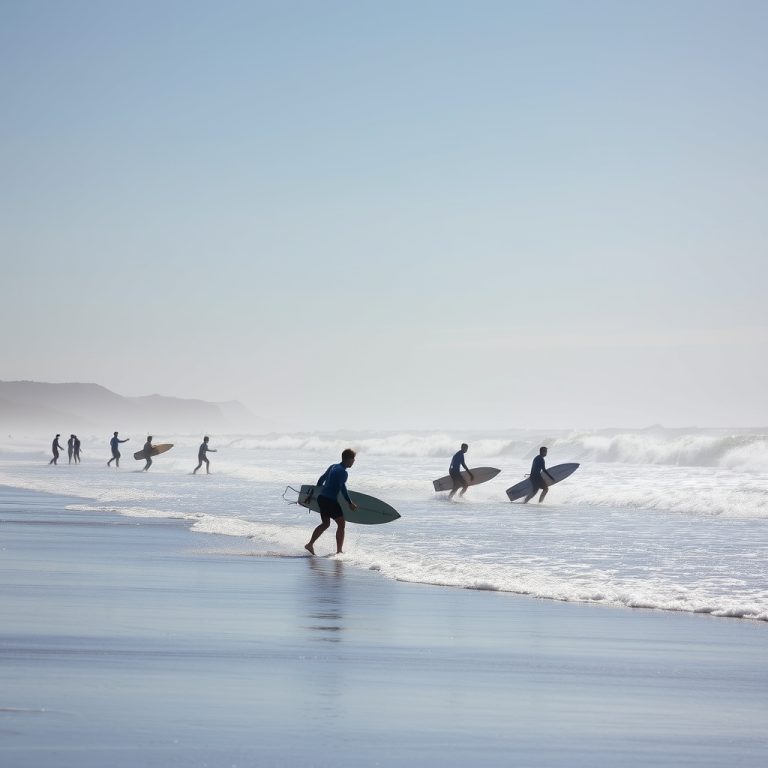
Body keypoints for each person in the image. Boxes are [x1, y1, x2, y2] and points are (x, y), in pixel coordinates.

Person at [304, 448, 358, 555]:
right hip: (330, 501)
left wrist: (314, 493)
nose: (354, 461)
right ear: (348, 459)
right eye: (353, 459)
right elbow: (342, 487)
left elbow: (321, 479)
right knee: (341, 524)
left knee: (325, 523)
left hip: (322, 498)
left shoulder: (333, 466)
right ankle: (339, 551)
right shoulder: (343, 472)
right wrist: (349, 502)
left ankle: (310, 544)